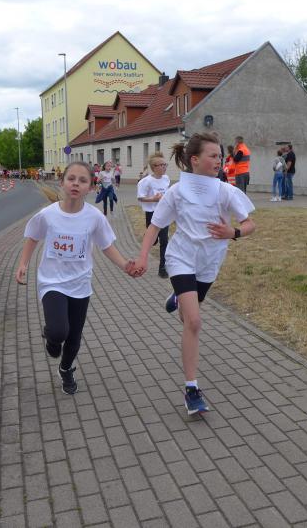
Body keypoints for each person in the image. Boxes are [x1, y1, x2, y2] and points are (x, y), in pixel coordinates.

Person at [132, 132, 256, 415]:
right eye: (213, 156)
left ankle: (178, 297)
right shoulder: (177, 192)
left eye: (220, 156)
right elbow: (154, 227)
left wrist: (233, 232)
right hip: (181, 258)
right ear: (195, 160)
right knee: (194, 322)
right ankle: (191, 390)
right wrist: (143, 257)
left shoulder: (225, 191)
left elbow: (250, 224)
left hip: (209, 263)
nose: (219, 160)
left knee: (187, 316)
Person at [15, 162, 137, 394]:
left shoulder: (94, 217)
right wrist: (23, 264)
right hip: (52, 282)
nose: (76, 184)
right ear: (62, 182)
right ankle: (52, 338)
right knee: (59, 331)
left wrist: (124, 265)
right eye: (71, 179)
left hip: (80, 284)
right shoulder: (48, 215)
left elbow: (106, 246)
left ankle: (65, 369)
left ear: (91, 187)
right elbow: (32, 237)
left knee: (74, 337)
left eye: (82, 181)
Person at [137, 152, 171, 279]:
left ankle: (162, 268)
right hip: (151, 213)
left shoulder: (166, 179)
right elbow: (140, 198)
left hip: (164, 213)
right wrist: (153, 199)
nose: (164, 167)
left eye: (165, 164)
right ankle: (150, 240)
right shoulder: (145, 182)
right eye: (161, 165)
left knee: (165, 240)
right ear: (154, 167)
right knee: (153, 240)